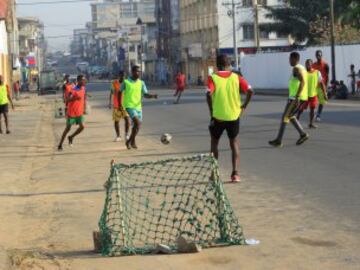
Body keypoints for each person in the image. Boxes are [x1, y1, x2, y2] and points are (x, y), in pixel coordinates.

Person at [206, 54, 253, 183]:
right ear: (228, 64)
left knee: (214, 144)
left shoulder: (213, 78)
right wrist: (244, 106)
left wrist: (212, 112)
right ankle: (235, 174)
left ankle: (214, 174)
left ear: (217, 65)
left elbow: (208, 94)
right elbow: (250, 90)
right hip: (234, 116)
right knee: (234, 143)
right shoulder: (236, 77)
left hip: (218, 117)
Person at [269, 52, 309, 148]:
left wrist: (297, 97)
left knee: (285, 117)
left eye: (290, 59)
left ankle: (279, 141)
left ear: (295, 59)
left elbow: (302, 82)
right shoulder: (302, 68)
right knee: (291, 116)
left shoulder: (296, 69)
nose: (289, 61)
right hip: (298, 97)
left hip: (295, 98)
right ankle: (303, 134)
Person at [121, 65, 158, 150]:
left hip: (138, 107)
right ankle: (132, 141)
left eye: (139, 72)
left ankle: (130, 141)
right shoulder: (126, 82)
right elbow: (119, 92)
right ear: (133, 72)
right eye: (137, 71)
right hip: (129, 106)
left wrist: (152, 96)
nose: (138, 73)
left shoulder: (141, 83)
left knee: (138, 126)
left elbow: (145, 94)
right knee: (137, 123)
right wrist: (120, 104)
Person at [57, 75, 86, 151]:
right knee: (68, 128)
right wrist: (75, 98)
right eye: (83, 80)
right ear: (79, 81)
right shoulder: (73, 90)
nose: (84, 81)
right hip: (72, 112)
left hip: (79, 112)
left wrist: (84, 107)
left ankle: (71, 137)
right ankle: (60, 144)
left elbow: (84, 97)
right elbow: (67, 100)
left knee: (82, 127)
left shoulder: (83, 88)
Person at [297, 59, 327, 128]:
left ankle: (311, 123)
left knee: (312, 109)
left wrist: (324, 93)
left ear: (311, 64)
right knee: (301, 109)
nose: (307, 65)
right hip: (305, 95)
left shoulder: (317, 72)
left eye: (308, 63)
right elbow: (299, 83)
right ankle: (296, 119)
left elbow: (321, 83)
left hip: (313, 94)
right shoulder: (303, 73)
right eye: (306, 64)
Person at [109, 71, 130, 142]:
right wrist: (109, 103)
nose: (123, 77)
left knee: (127, 119)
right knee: (116, 121)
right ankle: (118, 136)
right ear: (119, 76)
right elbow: (111, 93)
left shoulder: (127, 83)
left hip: (125, 105)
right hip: (117, 105)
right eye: (122, 76)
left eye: (124, 76)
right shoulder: (114, 83)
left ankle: (126, 134)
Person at [312, 50, 329, 122]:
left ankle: (318, 115)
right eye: (317, 55)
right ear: (316, 56)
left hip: (322, 86)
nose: (319, 56)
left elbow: (327, 76)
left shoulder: (325, 65)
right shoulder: (313, 65)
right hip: (315, 86)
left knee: (321, 102)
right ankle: (312, 114)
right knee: (313, 101)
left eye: (320, 55)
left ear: (321, 55)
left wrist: (326, 86)